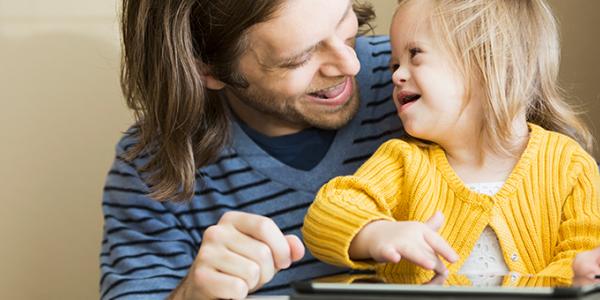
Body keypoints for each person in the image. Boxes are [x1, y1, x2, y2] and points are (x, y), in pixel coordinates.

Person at [100, 0, 403, 299]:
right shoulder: (153, 166)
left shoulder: (421, 80)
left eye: (342, 21)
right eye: (299, 58)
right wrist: (191, 295)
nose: (350, 63)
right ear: (207, 68)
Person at [303, 0, 600, 286]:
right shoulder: (403, 161)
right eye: (395, 64)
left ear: (489, 59)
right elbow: (325, 214)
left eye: (415, 54)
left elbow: (585, 249)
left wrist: (576, 273)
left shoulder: (570, 166)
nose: (396, 75)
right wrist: (377, 233)